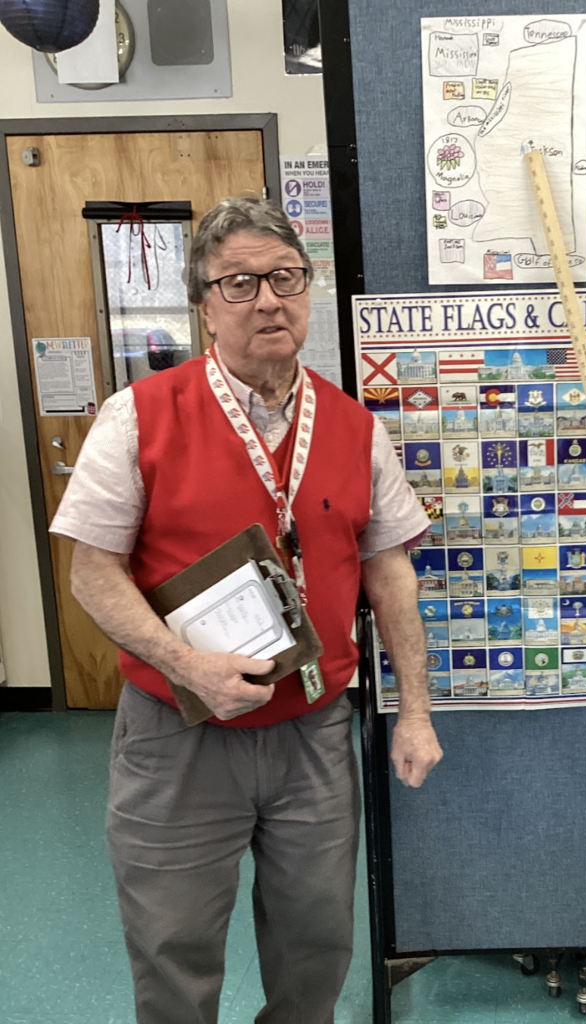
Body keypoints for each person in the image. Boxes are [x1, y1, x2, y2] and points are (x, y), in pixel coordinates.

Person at [50, 195, 443, 1024]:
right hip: (179, 736)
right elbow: (93, 573)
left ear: (308, 290)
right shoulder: (140, 416)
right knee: (173, 950)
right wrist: (186, 664)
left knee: (316, 951)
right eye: (239, 283)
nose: (268, 299)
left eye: (285, 278)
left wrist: (414, 709)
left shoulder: (353, 426)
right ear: (203, 307)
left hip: (313, 734)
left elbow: (390, 572)